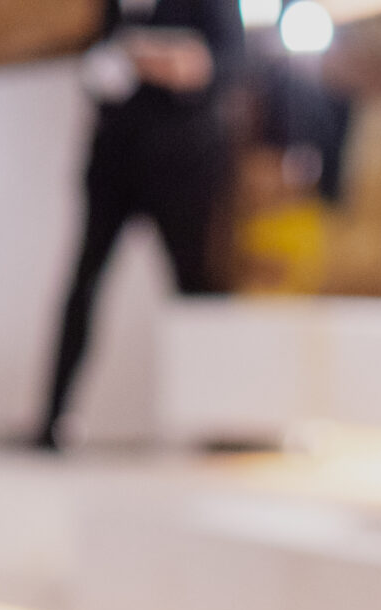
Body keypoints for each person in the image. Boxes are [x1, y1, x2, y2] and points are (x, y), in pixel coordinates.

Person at [35, 0, 244, 451]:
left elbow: (229, 62)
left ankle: (221, 422)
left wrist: (174, 63)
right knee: (84, 284)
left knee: (197, 290)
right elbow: (96, 58)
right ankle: (51, 421)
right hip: (115, 159)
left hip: (184, 163)